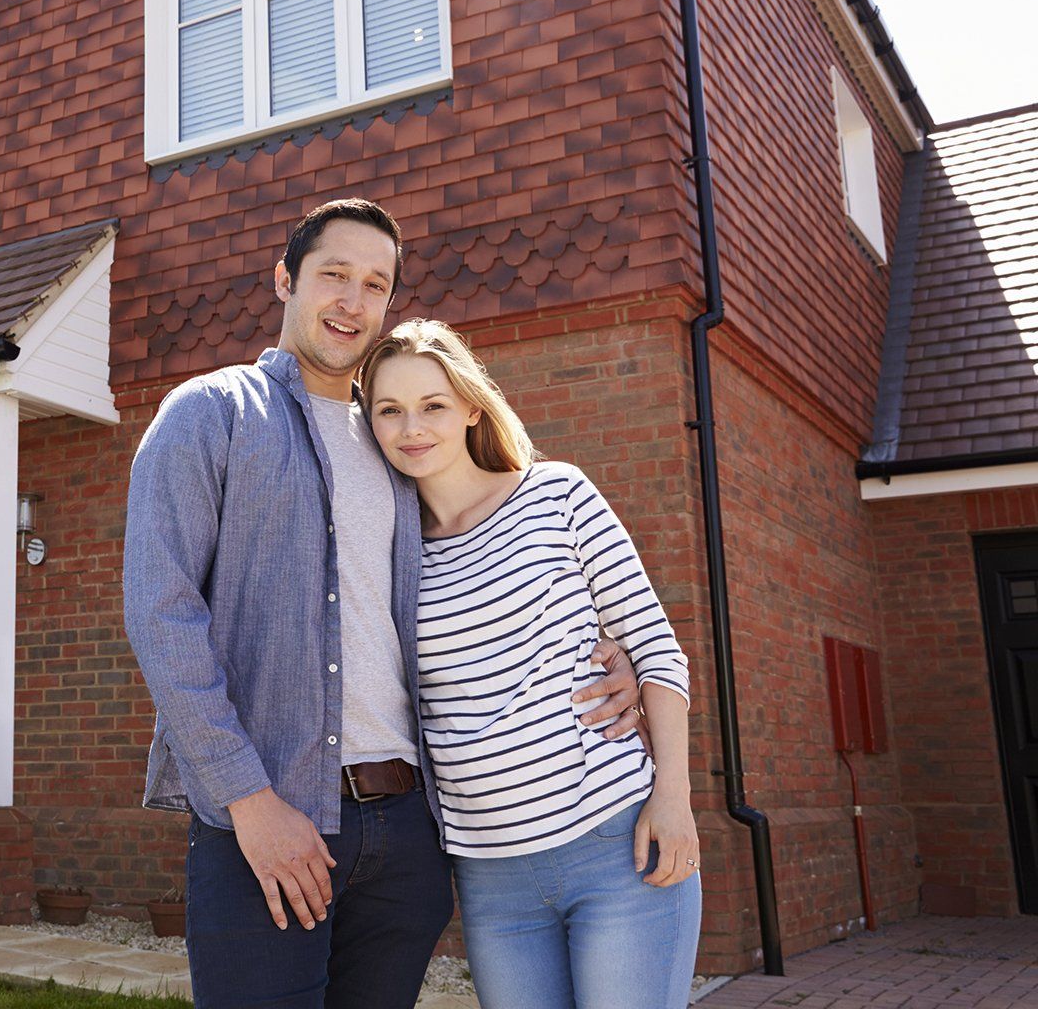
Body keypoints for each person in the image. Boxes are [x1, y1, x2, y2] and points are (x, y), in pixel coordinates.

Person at [123, 198, 647, 1009]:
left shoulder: (397, 438)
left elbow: (488, 574)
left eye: (376, 284)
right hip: (268, 824)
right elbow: (160, 613)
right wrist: (249, 804)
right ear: (284, 280)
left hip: (407, 832)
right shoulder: (212, 415)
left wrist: (614, 653)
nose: (353, 300)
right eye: (334, 275)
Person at [361, 317, 701, 1009]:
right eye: (388, 410)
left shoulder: (557, 496)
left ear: (471, 408)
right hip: (490, 879)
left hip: (616, 845)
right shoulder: (391, 553)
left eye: (432, 405)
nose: (410, 428)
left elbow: (657, 649)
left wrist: (674, 798)